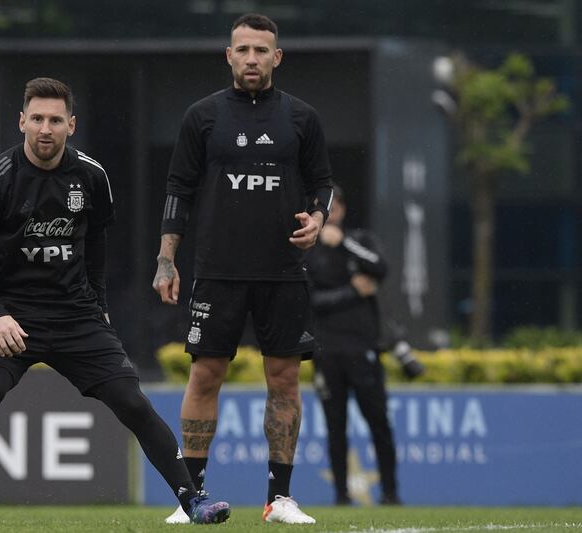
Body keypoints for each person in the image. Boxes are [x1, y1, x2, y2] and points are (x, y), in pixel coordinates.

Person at [0, 77, 230, 526]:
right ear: (21, 122)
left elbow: (96, 244)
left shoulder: (91, 175)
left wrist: (99, 304)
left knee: (132, 401)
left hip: (76, 317)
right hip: (13, 317)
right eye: (36, 119)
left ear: (71, 125)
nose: (44, 129)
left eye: (54, 120)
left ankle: (193, 498)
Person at [152, 14, 333, 525]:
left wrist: (317, 220)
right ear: (228, 56)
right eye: (243, 49)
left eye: (261, 50)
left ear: (277, 57)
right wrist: (167, 260)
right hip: (218, 270)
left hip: (283, 271)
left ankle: (280, 498)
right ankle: (193, 497)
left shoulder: (303, 118)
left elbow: (323, 183)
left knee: (284, 380)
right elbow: (178, 191)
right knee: (205, 375)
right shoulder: (202, 116)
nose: (251, 58)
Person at [303, 186, 401, 506]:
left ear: (343, 209)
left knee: (378, 421)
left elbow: (381, 267)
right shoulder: (309, 250)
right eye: (322, 208)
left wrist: (343, 242)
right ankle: (341, 496)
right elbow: (310, 301)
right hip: (327, 351)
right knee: (335, 425)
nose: (330, 213)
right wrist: (352, 292)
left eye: (334, 206)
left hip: (364, 348)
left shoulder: (361, 240)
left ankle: (390, 493)